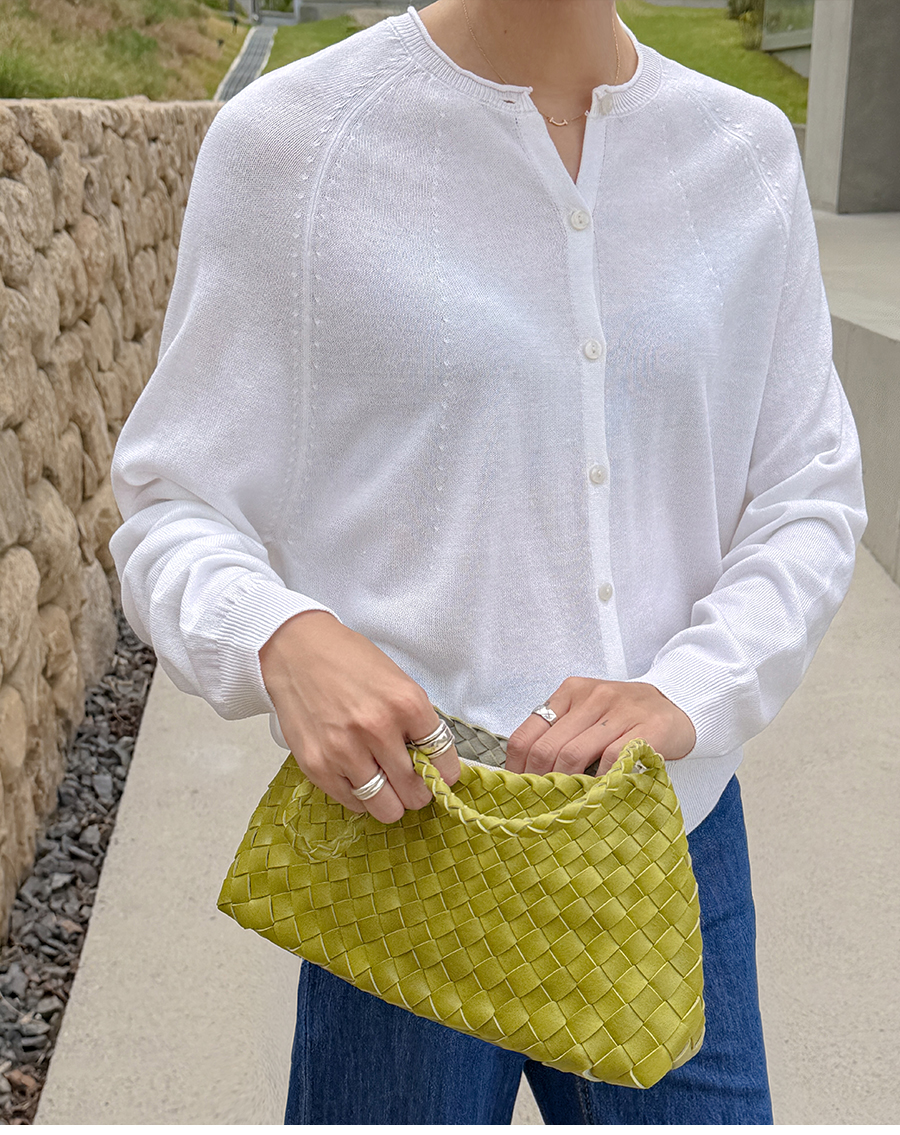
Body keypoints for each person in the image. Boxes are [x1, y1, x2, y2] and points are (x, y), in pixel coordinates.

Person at [109, 0, 866, 1124]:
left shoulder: (744, 154)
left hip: (665, 841)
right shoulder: (294, 144)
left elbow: (808, 491)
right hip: (410, 843)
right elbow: (171, 500)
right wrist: (277, 634)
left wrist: (691, 689)